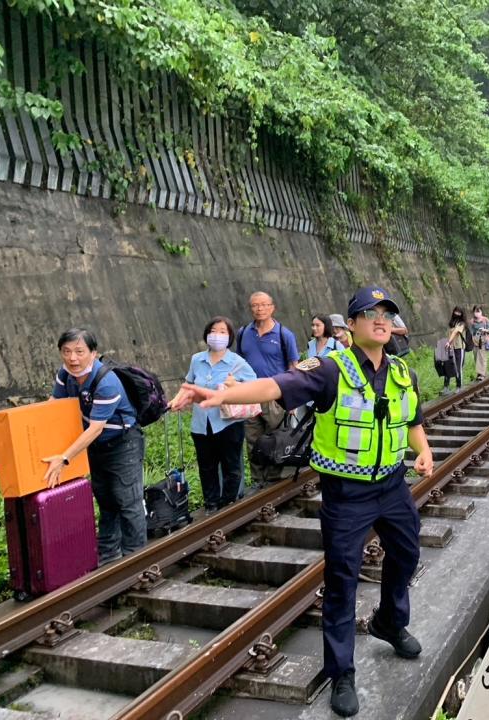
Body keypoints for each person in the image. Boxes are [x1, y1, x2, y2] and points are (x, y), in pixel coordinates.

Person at [173, 286, 434, 718]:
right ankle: (342, 670)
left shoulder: (403, 372)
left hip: (392, 486)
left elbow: (413, 419)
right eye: (370, 312)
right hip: (347, 494)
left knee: (406, 555)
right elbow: (278, 384)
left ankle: (390, 621)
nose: (381, 318)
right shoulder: (330, 369)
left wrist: (422, 450)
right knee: (343, 580)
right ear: (350, 325)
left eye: (387, 312)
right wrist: (221, 395)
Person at [44, 328, 145, 565]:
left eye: (79, 351)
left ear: (93, 353)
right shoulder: (65, 374)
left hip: (123, 444)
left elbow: (95, 428)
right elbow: (53, 405)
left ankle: (136, 558)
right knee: (105, 499)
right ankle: (108, 556)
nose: (73, 358)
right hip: (96, 445)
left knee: (128, 501)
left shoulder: (106, 381)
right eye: (66, 352)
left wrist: (64, 458)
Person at [171, 316, 257, 511]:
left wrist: (235, 386)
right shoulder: (197, 359)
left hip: (228, 423)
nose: (216, 335)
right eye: (213, 331)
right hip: (201, 423)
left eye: (222, 332)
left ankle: (229, 504)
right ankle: (211, 503)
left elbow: (253, 385)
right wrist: (176, 400)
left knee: (231, 466)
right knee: (206, 466)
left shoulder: (237, 362)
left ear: (229, 336)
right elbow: (189, 384)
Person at [236, 291, 301, 485]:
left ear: (272, 307)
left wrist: (293, 397)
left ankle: (275, 480)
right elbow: (239, 362)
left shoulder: (283, 334)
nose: (259, 309)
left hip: (275, 395)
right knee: (253, 440)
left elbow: (293, 367)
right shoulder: (243, 333)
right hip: (249, 395)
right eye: (255, 305)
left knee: (276, 439)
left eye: (264, 305)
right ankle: (258, 481)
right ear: (250, 308)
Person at [442, 306, 469, 394]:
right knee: (447, 367)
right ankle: (446, 387)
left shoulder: (462, 323)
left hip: (459, 348)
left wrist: (448, 342)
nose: (457, 313)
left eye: (459, 312)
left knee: (458, 367)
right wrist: (448, 344)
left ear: (462, 314)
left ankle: (459, 386)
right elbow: (449, 333)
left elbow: (455, 333)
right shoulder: (452, 323)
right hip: (450, 348)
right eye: (456, 312)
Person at [470, 305, 489, 381]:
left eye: (478, 311)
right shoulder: (472, 321)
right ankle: (479, 373)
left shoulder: (485, 320)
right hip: (475, 341)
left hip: (483, 341)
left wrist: (484, 330)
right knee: (476, 357)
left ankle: (482, 374)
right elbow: (471, 331)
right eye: (475, 312)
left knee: (482, 357)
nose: (477, 313)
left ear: (481, 312)